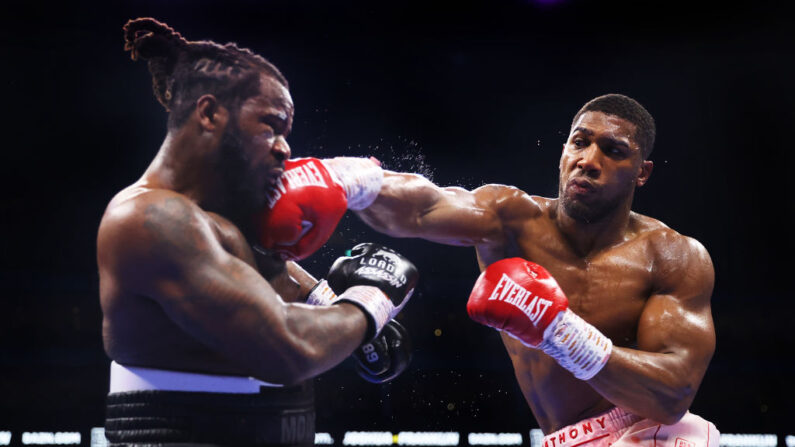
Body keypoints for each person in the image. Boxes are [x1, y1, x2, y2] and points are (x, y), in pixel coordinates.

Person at [97, 18, 417, 446]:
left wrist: (331, 303)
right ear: (209, 113)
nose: (285, 147)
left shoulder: (222, 219)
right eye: (271, 126)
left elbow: (276, 286)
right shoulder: (150, 219)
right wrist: (371, 301)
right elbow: (288, 349)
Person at [347, 94, 719, 446]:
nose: (589, 160)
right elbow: (423, 208)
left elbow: (672, 396)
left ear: (642, 172)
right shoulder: (510, 218)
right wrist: (349, 180)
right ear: (563, 151)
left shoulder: (671, 255)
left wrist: (559, 331)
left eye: (613, 151)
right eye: (580, 143)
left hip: (651, 431)